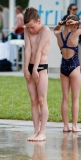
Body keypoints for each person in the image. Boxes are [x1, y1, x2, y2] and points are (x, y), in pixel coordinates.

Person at [53, 15, 81, 132]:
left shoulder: (58, 35)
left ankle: (65, 126)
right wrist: (77, 21)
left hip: (63, 67)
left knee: (65, 98)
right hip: (74, 67)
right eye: (77, 25)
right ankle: (74, 126)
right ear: (75, 25)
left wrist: (61, 23)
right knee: (75, 98)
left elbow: (55, 29)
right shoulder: (75, 34)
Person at [24, 7, 51, 141]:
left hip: (41, 67)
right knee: (33, 100)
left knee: (41, 100)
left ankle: (42, 131)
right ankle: (35, 130)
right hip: (30, 67)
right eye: (28, 27)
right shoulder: (27, 30)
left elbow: (39, 50)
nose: (30, 30)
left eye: (32, 27)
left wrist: (35, 69)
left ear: (38, 21)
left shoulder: (45, 30)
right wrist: (25, 69)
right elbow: (28, 49)